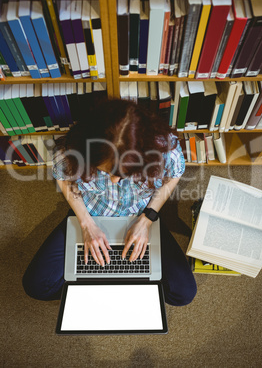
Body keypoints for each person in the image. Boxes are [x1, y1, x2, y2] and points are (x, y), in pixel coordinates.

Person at [23, 99, 197, 306]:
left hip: (140, 213)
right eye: (106, 171)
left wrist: (147, 219)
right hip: (91, 213)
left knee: (183, 294)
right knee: (36, 285)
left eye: (124, 174)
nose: (114, 181)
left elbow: (174, 175)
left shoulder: (166, 148)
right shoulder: (71, 150)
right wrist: (86, 225)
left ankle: (105, 284)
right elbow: (64, 180)